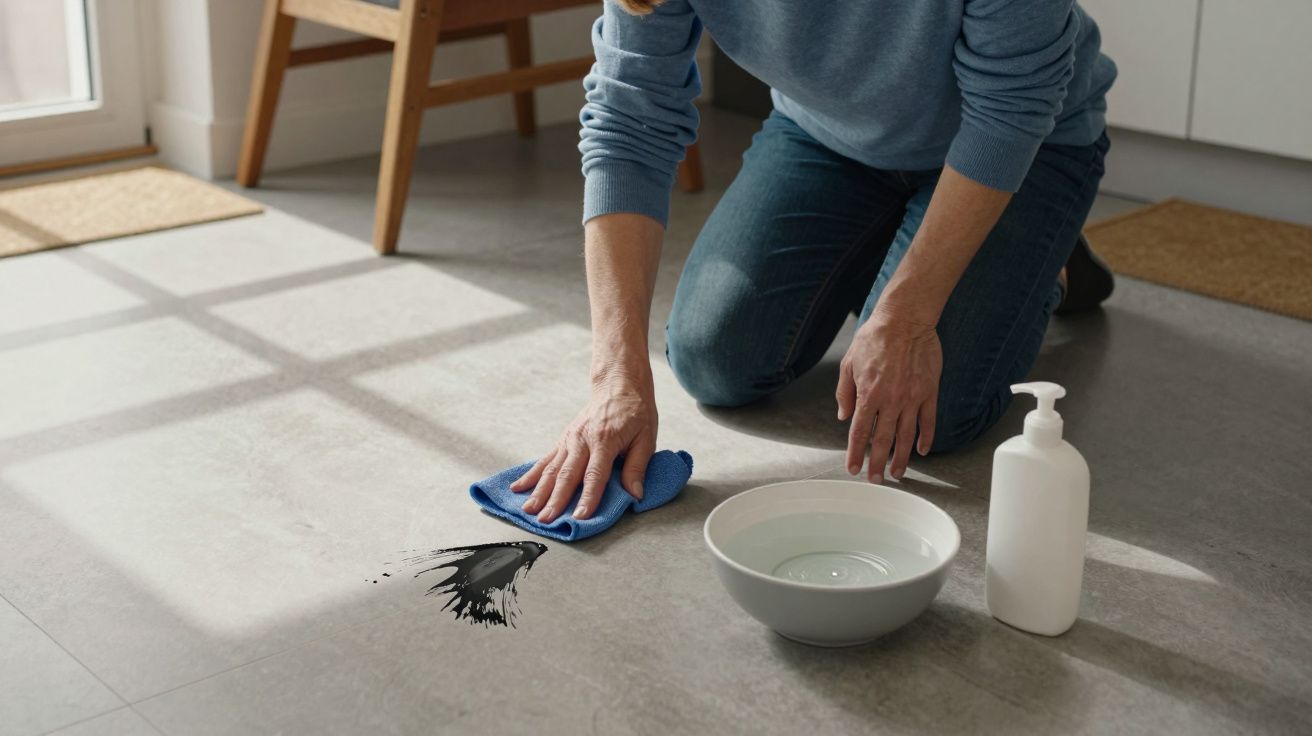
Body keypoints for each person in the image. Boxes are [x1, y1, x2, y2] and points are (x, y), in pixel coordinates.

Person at [511, 0, 1117, 523]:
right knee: (713, 359)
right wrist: (614, 376)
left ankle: (1045, 256)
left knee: (939, 413)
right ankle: (912, 243)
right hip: (833, 136)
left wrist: (905, 317)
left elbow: (1010, 111)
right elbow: (628, 120)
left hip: (1025, 140)